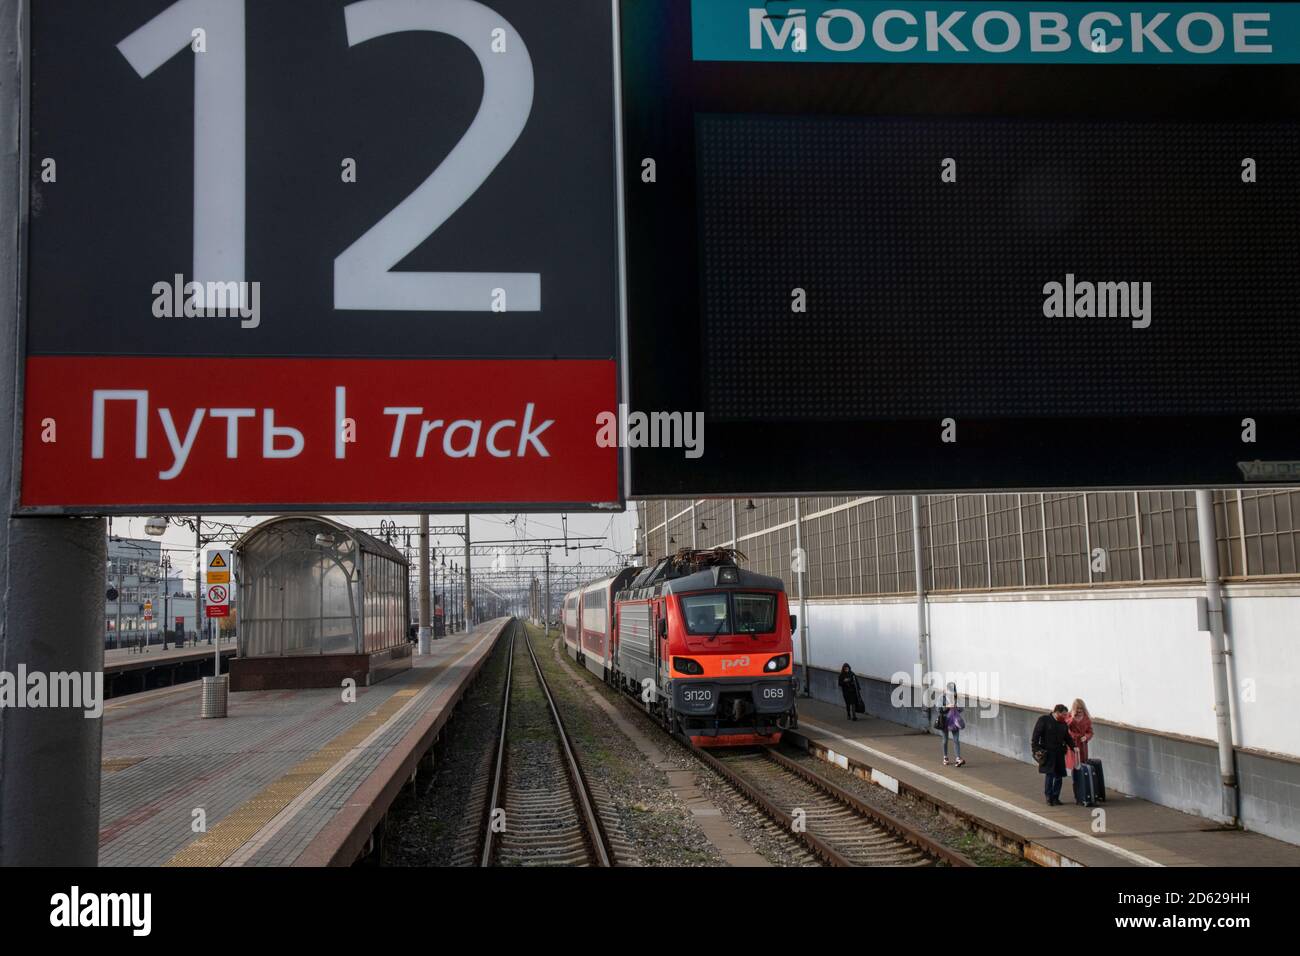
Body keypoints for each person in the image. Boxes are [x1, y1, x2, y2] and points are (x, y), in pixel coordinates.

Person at [1032, 704, 1073, 805]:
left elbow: (1067, 737)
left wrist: (1073, 746)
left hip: (1059, 752)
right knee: (1050, 774)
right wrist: (1035, 749)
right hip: (1047, 752)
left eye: (1066, 715)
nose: (1065, 717)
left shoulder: (1063, 724)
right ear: (1057, 712)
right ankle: (1048, 797)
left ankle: (1056, 797)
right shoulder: (1044, 720)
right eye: (1063, 715)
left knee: (1059, 776)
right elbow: (1036, 735)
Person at [940, 683, 966, 767]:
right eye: (950, 691)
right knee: (945, 740)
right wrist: (947, 706)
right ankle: (945, 757)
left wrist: (956, 707)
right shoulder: (942, 698)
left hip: (954, 721)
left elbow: (961, 709)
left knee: (956, 740)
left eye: (953, 691)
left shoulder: (956, 698)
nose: (952, 693)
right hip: (945, 720)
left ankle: (958, 758)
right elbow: (938, 709)